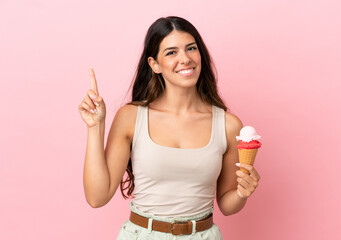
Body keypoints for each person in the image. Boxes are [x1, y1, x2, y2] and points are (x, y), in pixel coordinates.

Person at [78, 16, 260, 240]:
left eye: (191, 48)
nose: (185, 59)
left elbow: (227, 204)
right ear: (154, 64)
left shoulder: (228, 125)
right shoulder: (131, 118)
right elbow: (97, 197)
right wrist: (96, 127)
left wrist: (242, 193)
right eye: (171, 52)